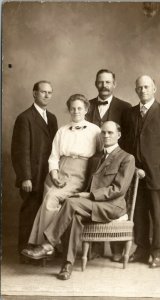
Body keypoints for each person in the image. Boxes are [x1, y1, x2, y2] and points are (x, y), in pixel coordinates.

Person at [22, 121, 135, 280]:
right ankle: (67, 265)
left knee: (71, 203)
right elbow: (87, 183)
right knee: (74, 216)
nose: (106, 136)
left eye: (110, 133)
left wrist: (88, 196)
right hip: (93, 205)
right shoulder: (95, 158)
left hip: (112, 206)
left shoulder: (127, 158)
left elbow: (118, 189)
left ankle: (48, 244)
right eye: (103, 133)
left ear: (119, 135)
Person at [124, 75, 160, 268]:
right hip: (136, 174)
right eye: (139, 87)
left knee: (159, 216)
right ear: (136, 90)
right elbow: (126, 144)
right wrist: (134, 168)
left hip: (159, 175)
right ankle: (141, 250)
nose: (143, 90)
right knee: (139, 214)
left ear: (154, 89)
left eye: (146, 87)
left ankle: (158, 253)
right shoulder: (130, 114)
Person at [27, 94, 101, 246]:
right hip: (59, 171)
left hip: (79, 173)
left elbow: (101, 157)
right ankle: (52, 245)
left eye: (80, 108)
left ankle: (44, 245)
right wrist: (54, 175)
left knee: (51, 199)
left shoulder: (95, 130)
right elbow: (53, 157)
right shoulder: (62, 130)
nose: (76, 111)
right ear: (69, 110)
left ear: (86, 109)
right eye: (72, 108)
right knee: (47, 198)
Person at [86, 68, 132, 261]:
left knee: (114, 199)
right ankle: (95, 248)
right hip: (94, 161)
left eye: (107, 82)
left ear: (114, 84)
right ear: (95, 83)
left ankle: (116, 250)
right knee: (95, 198)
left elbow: (128, 138)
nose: (103, 86)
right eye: (100, 82)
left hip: (117, 162)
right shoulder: (86, 106)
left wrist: (128, 165)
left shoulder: (125, 107)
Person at [11, 80, 58, 259]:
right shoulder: (25, 118)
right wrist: (25, 177)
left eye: (49, 92)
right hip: (32, 176)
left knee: (44, 213)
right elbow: (20, 151)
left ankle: (41, 251)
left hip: (47, 174)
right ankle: (24, 252)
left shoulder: (52, 118)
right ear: (34, 93)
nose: (46, 95)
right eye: (43, 92)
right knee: (29, 212)